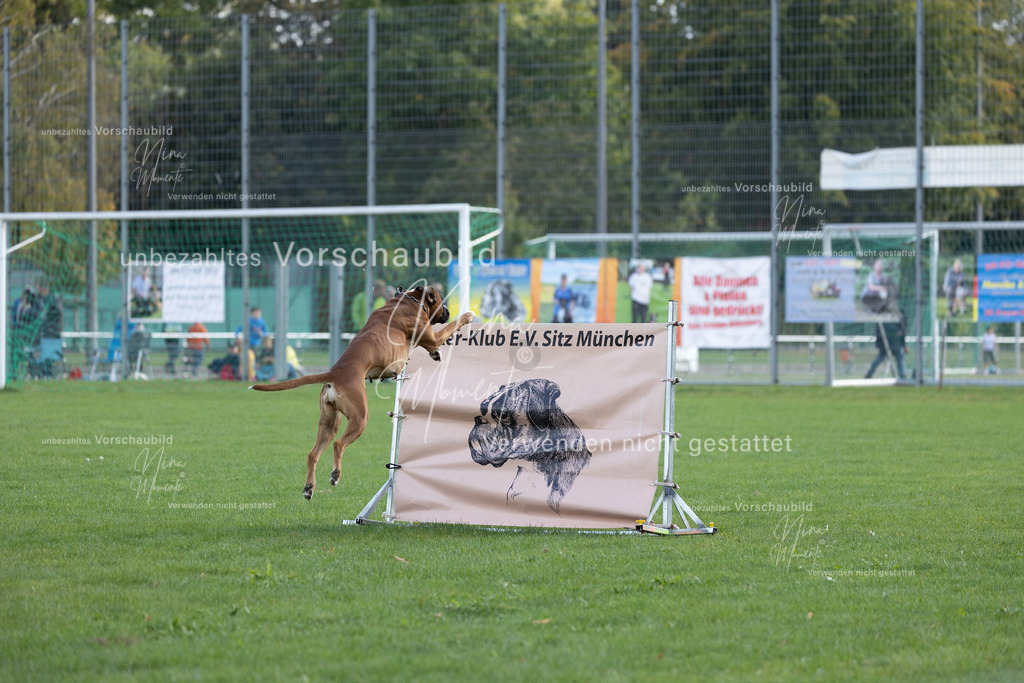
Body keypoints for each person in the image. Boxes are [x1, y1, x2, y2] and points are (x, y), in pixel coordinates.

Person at [865, 310, 907, 380]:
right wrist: (879, 345)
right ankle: (869, 375)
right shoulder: (883, 320)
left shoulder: (898, 318)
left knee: (900, 360)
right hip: (885, 346)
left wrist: (904, 344)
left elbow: (902, 332)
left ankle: (902, 377)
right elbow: (879, 333)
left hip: (896, 345)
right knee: (879, 360)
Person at [35, 279, 63, 376]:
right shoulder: (39, 299)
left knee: (49, 356)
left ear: (43, 288)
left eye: (38, 287)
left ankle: (48, 373)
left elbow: (58, 313)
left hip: (51, 335)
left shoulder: (53, 300)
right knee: (42, 356)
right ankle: (43, 373)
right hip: (43, 334)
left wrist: (46, 320)